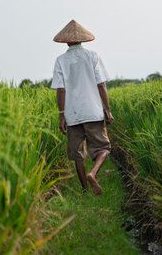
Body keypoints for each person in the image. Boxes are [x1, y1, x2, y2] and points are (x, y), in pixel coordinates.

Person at [51, 20, 114, 196]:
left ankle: (85, 191)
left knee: (77, 153)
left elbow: (61, 90)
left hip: (72, 114)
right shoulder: (93, 56)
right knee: (104, 148)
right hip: (93, 111)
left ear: (66, 41)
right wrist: (107, 109)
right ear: (81, 40)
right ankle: (93, 173)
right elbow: (101, 85)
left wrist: (62, 116)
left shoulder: (60, 60)